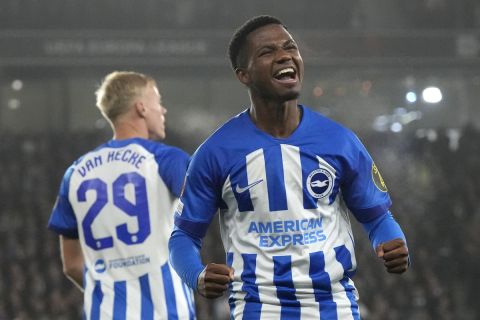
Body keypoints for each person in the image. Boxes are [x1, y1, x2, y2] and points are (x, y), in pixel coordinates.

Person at [169, 15, 410, 319]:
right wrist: (197, 275)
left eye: (290, 47)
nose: (285, 56)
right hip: (259, 309)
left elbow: (377, 218)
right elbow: (183, 237)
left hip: (334, 306)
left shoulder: (339, 141)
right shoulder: (215, 153)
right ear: (243, 75)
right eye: (267, 52)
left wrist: (392, 243)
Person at [48, 71, 195, 319]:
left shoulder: (75, 173)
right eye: (158, 102)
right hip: (166, 309)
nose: (163, 110)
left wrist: (114, 288)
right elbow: (205, 207)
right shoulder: (166, 159)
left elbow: (72, 264)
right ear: (141, 108)